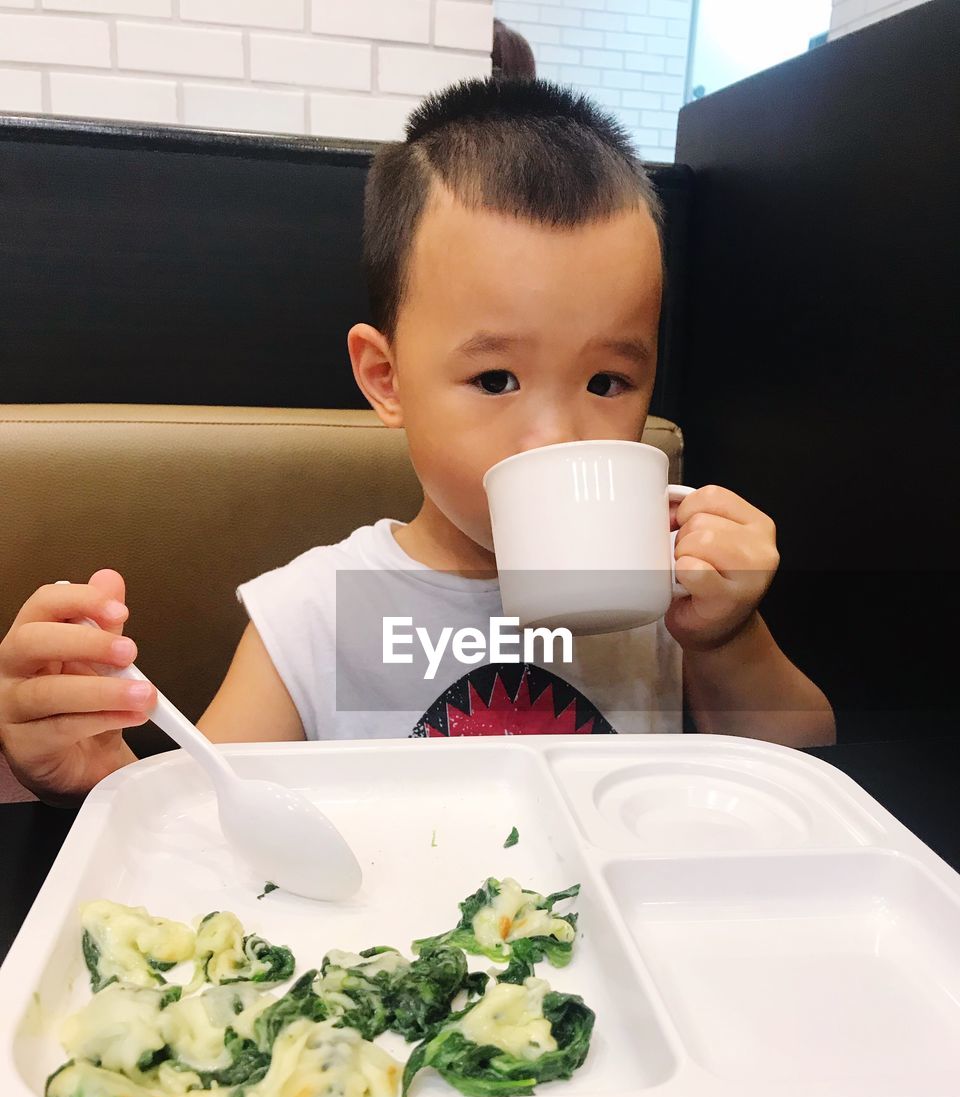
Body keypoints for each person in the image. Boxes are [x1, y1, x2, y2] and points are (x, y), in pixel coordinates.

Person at [0, 77, 834, 806]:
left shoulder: (656, 597)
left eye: (607, 382)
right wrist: (93, 778)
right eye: (497, 380)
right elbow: (221, 820)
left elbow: (803, 769)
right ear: (386, 378)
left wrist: (727, 639)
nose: (555, 436)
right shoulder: (319, 611)